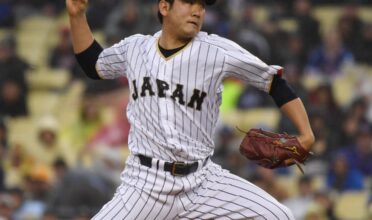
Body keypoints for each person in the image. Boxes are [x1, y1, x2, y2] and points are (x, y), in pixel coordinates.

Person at [66, 0, 315, 219]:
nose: (197, 11)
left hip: (202, 181)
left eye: (202, 5)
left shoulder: (217, 51)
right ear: (164, 6)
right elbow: (93, 64)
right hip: (145, 184)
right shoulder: (135, 48)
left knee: (279, 215)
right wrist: (77, 16)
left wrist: (306, 134)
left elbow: (274, 82)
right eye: (189, 2)